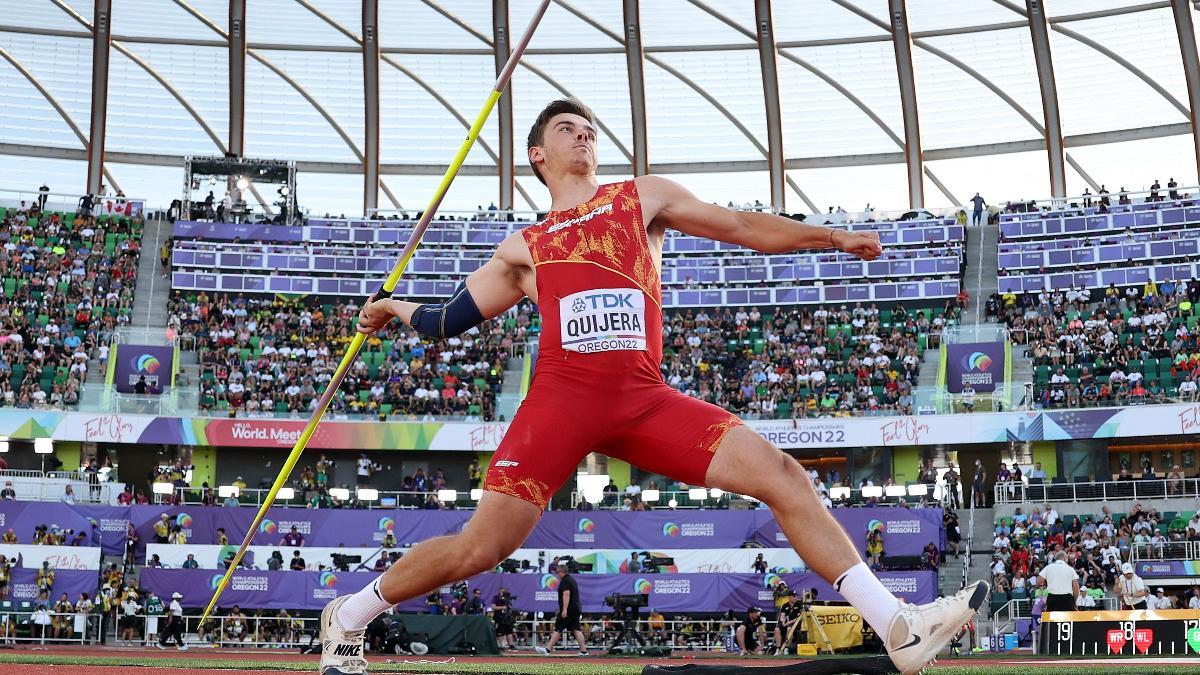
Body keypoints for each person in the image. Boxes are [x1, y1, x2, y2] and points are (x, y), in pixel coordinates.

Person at [319, 98, 985, 675]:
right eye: (569, 129)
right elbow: (447, 319)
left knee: (782, 474)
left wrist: (831, 236)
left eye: (590, 130)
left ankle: (898, 627)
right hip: (558, 405)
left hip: (643, 400)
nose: (584, 136)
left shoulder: (641, 198)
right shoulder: (525, 245)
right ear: (537, 155)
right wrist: (391, 307)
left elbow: (744, 228)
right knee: (478, 548)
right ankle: (348, 614)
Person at [535, 563, 587, 655]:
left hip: (569, 609)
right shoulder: (571, 579)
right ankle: (584, 651)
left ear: (562, 571)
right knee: (576, 629)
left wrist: (564, 609)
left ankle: (547, 650)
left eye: (558, 572)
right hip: (575, 608)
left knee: (558, 628)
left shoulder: (565, 581)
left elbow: (566, 594)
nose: (557, 574)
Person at [773, 591, 803, 655]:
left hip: (795, 624)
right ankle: (778, 649)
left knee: (789, 629)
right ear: (789, 597)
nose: (795, 598)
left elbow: (799, 617)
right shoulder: (785, 605)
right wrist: (783, 622)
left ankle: (786, 648)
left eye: (796, 596)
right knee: (777, 629)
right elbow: (782, 616)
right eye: (793, 596)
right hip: (786, 623)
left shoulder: (799, 605)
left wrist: (789, 622)